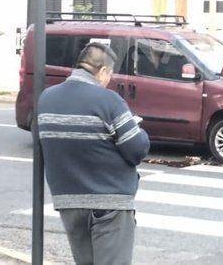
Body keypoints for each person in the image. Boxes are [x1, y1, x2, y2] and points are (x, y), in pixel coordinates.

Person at [38, 42, 150, 265]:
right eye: (109, 75)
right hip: (109, 202)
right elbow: (137, 149)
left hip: (68, 202)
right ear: (102, 71)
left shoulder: (46, 99)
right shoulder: (109, 101)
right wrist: (139, 130)